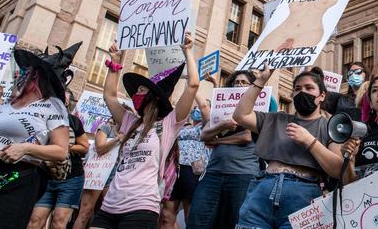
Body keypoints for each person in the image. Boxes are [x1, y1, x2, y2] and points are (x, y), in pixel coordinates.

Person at [90, 32, 199, 229]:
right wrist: (115, 62)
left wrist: (188, 51)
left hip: (141, 207)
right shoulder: (129, 121)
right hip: (109, 206)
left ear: (154, 97)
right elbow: (109, 96)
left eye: (142, 90)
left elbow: (193, 85)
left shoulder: (168, 124)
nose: (136, 94)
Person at [233, 64, 344, 229]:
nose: (302, 92)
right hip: (262, 192)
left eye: (309, 88)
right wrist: (262, 79)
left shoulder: (330, 127)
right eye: (298, 88)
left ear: (321, 96)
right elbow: (240, 115)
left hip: (303, 198)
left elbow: (337, 169)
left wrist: (310, 142)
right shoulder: (276, 119)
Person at [0, 49, 69, 229]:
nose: (21, 74)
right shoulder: (6, 105)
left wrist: (25, 148)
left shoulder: (52, 106)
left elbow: (61, 151)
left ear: (37, 76)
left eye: (26, 71)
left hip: (18, 178)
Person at [188, 71, 259, 229]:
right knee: (197, 220)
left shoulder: (257, 110)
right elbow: (204, 135)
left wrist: (218, 140)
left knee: (233, 222)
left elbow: (246, 137)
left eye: (243, 82)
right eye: (236, 82)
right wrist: (222, 126)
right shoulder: (221, 110)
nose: (239, 84)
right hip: (213, 173)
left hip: (242, 174)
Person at [28, 90, 90, 229]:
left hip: (71, 179)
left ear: (67, 103)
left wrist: (63, 146)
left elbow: (85, 147)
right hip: (46, 177)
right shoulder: (41, 119)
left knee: (59, 222)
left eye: (63, 100)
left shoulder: (73, 121)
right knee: (35, 221)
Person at [160, 88, 211, 228]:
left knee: (191, 216)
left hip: (193, 172)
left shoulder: (208, 126)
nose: (197, 110)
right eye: (194, 109)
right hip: (174, 171)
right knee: (166, 215)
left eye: (198, 108)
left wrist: (193, 87)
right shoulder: (181, 126)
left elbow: (204, 107)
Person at [72, 118, 124, 229]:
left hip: (115, 175)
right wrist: (117, 139)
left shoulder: (131, 133)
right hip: (98, 172)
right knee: (85, 211)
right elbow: (100, 148)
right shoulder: (106, 128)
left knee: (105, 214)